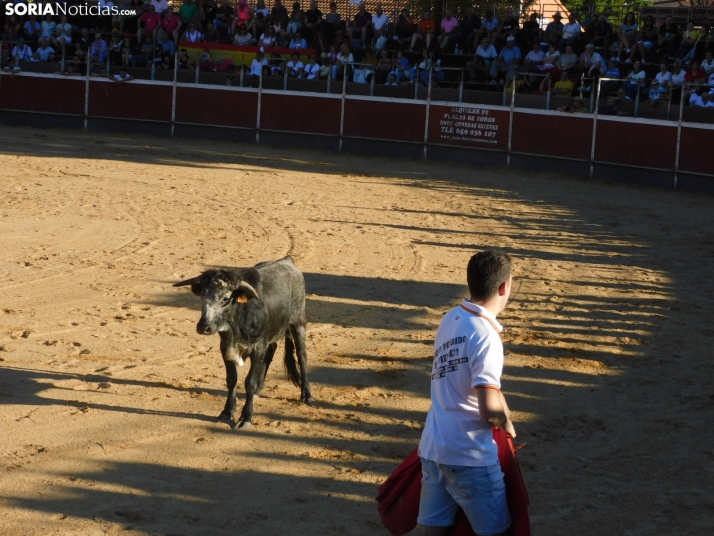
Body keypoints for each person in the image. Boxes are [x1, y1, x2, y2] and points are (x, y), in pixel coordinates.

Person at [405, 250, 515, 536]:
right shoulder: (486, 336)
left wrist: (505, 417)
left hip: (434, 447)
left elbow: (464, 378)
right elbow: (489, 409)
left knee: (427, 532)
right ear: (505, 287)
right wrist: (500, 419)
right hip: (469, 456)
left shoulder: (452, 318)